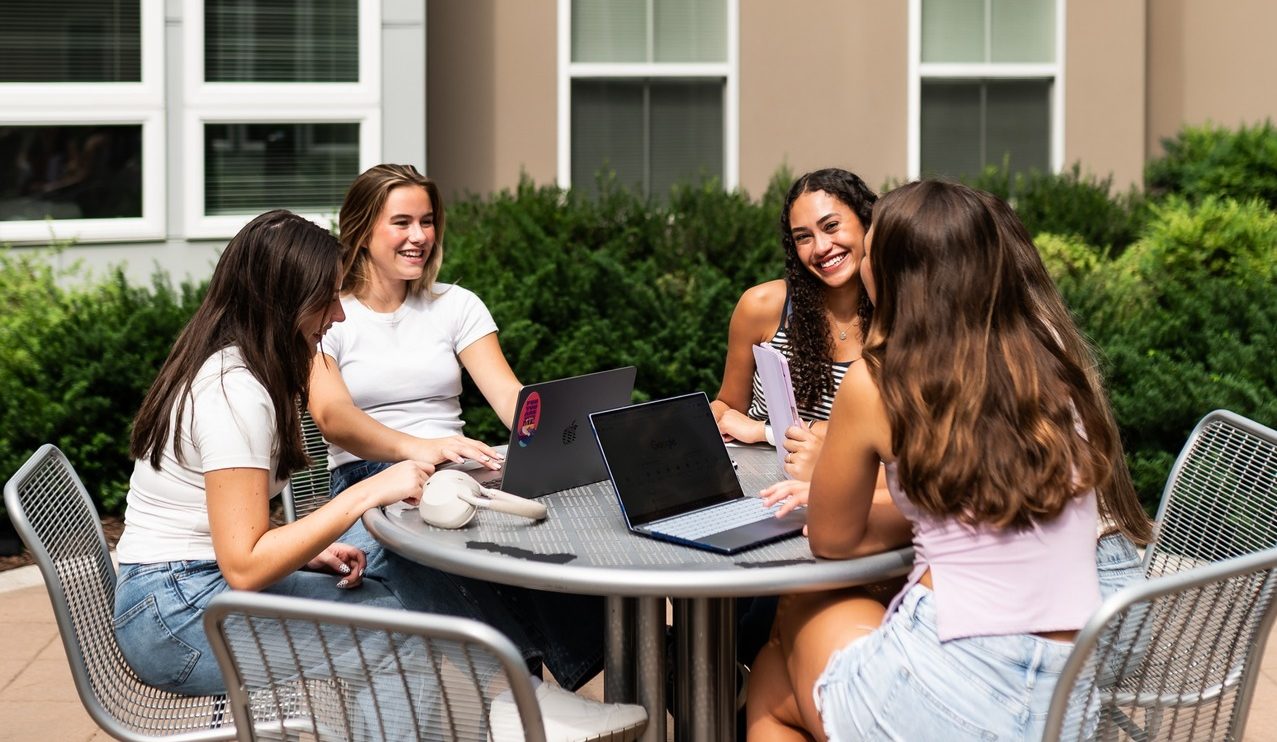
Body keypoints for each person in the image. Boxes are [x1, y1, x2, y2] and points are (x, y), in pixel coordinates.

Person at [112, 209, 644, 739]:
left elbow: (224, 529)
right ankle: (524, 705)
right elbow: (246, 566)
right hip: (177, 617)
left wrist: (308, 547)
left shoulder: (239, 370)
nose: (339, 316)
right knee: (401, 638)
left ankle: (523, 702)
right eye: (327, 298)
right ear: (284, 302)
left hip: (186, 591)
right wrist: (368, 491)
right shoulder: (235, 394)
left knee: (401, 603)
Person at [746, 181, 1152, 741]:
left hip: (955, 698)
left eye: (869, 253)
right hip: (1068, 701)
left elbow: (832, 540)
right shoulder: (1055, 368)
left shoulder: (879, 379)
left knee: (778, 659)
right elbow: (977, 515)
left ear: (889, 271)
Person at [307, 164, 616, 700]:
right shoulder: (330, 315)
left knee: (541, 536)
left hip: (459, 473)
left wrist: (556, 432)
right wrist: (417, 448)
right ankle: (535, 689)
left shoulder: (456, 304)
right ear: (359, 231)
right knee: (439, 553)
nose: (419, 236)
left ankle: (589, 676)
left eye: (427, 221)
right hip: (369, 484)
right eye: (401, 222)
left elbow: (508, 397)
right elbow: (334, 417)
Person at [711, 168, 876, 474]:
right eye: (804, 237)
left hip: (844, 489)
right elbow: (728, 406)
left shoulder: (900, 316)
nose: (821, 247)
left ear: (866, 222)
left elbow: (880, 433)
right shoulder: (760, 306)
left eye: (831, 226)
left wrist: (765, 431)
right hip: (757, 486)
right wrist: (709, 420)